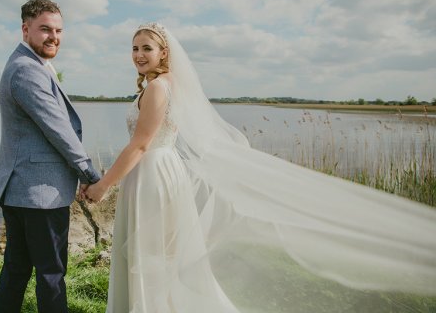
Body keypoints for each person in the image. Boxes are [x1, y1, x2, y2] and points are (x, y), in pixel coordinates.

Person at [84, 22, 436, 312]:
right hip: (163, 170)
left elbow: (141, 144)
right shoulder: (166, 84)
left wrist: (103, 186)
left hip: (153, 174)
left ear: (164, 52)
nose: (139, 55)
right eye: (134, 48)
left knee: (151, 253)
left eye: (147, 48)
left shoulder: (158, 88)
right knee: (161, 253)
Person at [0, 0, 100, 313]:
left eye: (59, 30)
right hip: (39, 193)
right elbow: (60, 130)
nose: (54, 37)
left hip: (23, 190)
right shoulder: (27, 70)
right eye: (45, 30)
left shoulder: (27, 64)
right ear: (25, 30)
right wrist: (90, 176)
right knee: (51, 274)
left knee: (17, 268)